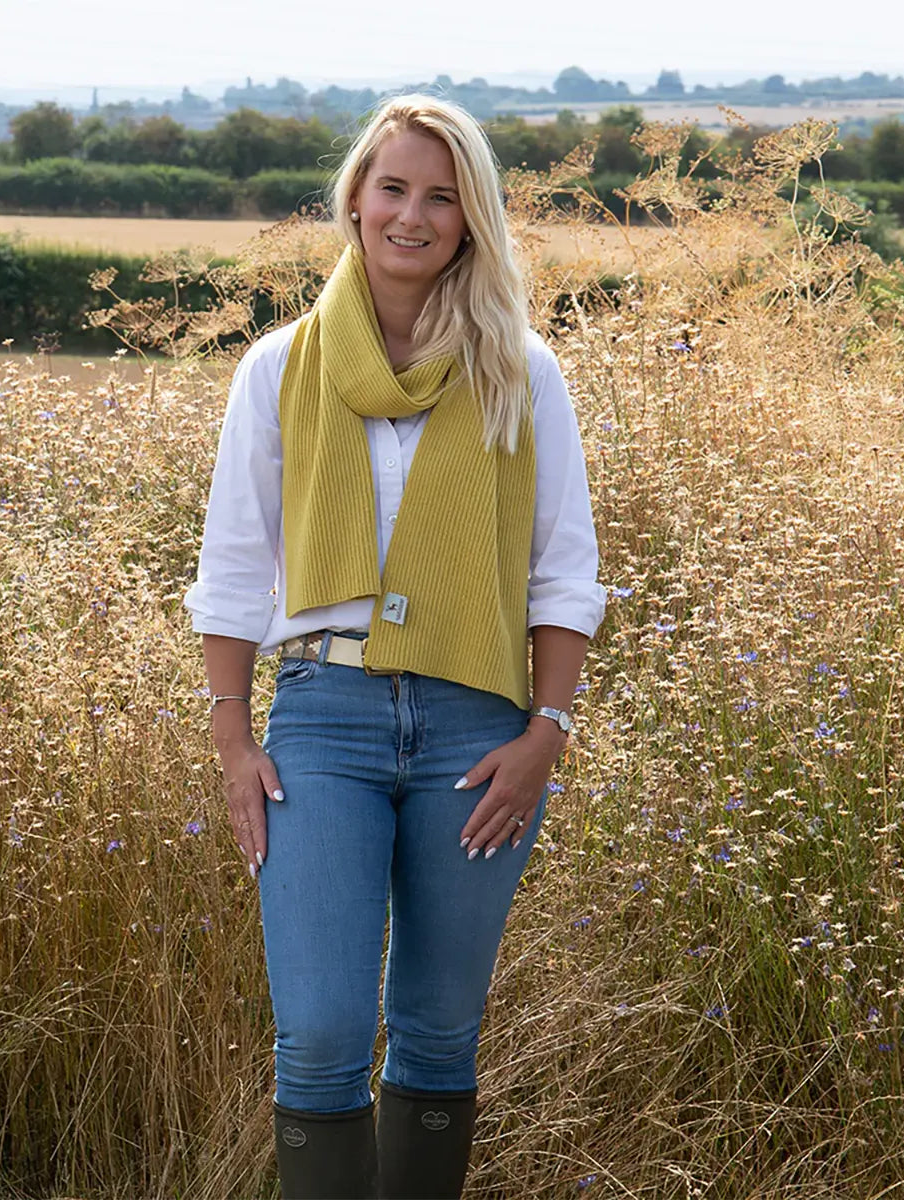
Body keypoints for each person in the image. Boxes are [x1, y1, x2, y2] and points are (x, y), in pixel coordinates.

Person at [184, 94, 605, 1199]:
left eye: (441, 196)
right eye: (393, 188)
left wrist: (546, 733)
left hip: (477, 728)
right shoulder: (281, 367)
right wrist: (233, 737)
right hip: (323, 720)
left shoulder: (521, 371)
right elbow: (234, 566)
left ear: (471, 220)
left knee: (437, 1030)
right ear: (356, 201)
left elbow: (564, 571)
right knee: (322, 1031)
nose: (412, 215)